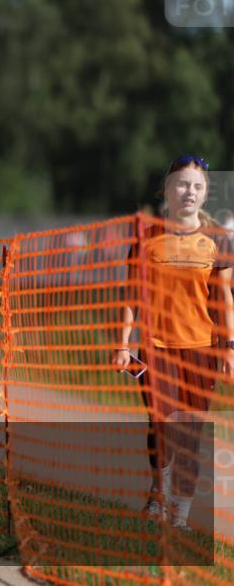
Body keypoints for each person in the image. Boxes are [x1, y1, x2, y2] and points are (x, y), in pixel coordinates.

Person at [113, 154, 234, 530]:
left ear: (205, 194)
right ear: (166, 189)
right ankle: (157, 499)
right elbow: (131, 297)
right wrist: (122, 344)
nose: (189, 192)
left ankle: (180, 513)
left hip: (201, 350)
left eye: (197, 187)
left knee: (190, 433)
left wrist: (230, 347)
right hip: (156, 348)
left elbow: (225, 299)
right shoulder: (146, 238)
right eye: (182, 184)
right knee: (160, 424)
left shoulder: (218, 242)